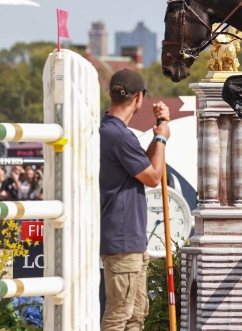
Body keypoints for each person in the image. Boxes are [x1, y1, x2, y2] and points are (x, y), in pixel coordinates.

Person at [100, 69, 170, 330]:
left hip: (127, 240)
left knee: (135, 315)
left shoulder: (111, 131)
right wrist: (162, 137)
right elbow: (152, 177)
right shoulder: (119, 135)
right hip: (123, 239)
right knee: (120, 315)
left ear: (111, 95)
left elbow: (142, 166)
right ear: (139, 97)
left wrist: (157, 136)